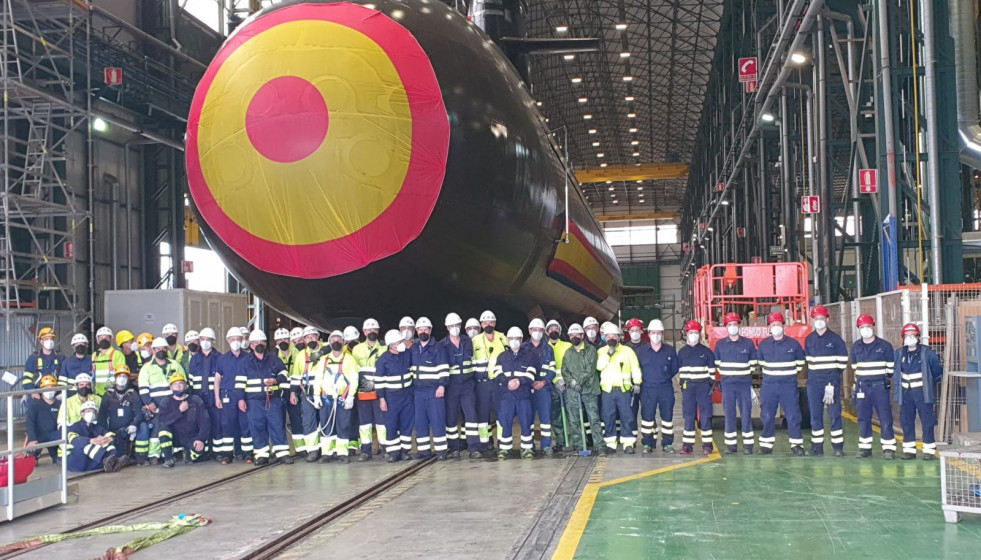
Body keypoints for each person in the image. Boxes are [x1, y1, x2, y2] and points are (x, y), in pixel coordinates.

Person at [236, 330, 291, 465]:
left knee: (277, 425)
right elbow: (239, 382)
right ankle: (262, 455)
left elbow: (285, 373)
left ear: (265, 343)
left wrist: (276, 380)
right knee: (257, 427)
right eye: (256, 343)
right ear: (251, 345)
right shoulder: (245, 362)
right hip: (253, 402)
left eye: (261, 342)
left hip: (273, 399)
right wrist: (240, 399)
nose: (259, 344)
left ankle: (282, 454)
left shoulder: (274, 359)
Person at [756, 312, 805, 456]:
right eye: (773, 324)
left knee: (793, 415)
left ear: (783, 326)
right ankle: (766, 445)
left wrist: (786, 374)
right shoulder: (764, 345)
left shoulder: (793, 344)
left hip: (788, 385)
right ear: (769, 327)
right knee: (767, 414)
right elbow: (761, 363)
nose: (776, 327)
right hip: (769, 385)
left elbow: (800, 364)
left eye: (778, 324)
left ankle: (796, 445)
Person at [893, 323, 943, 460]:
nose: (910, 338)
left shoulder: (928, 353)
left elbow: (937, 371)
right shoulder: (898, 354)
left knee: (927, 421)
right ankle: (909, 451)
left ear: (918, 336)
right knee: (906, 421)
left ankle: (929, 451)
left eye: (912, 335)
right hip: (906, 394)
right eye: (907, 335)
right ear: (903, 337)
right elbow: (895, 373)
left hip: (922, 393)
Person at [803, 305, 848, 456]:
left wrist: (832, 378)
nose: (819, 321)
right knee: (815, 415)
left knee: (835, 415)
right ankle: (817, 447)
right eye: (816, 319)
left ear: (827, 319)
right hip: (814, 383)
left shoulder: (836, 339)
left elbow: (842, 362)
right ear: (813, 320)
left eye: (822, 318)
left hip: (831, 383)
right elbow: (808, 361)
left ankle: (838, 448)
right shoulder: (809, 340)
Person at [850, 314, 897, 459]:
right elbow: (854, 367)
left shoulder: (884, 346)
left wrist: (881, 380)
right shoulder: (856, 347)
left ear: (873, 327)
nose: (865, 330)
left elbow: (891, 369)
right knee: (863, 417)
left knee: (885, 417)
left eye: (868, 327)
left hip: (880, 387)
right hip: (862, 387)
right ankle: (865, 448)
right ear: (859, 329)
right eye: (862, 327)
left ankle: (888, 449)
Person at [309, 331, 358, 463]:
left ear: (343, 342)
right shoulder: (324, 360)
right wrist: (316, 396)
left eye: (339, 340)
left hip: (343, 398)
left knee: (343, 425)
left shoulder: (349, 359)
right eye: (333, 340)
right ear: (329, 342)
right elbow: (318, 379)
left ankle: (342, 453)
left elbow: (354, 379)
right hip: (327, 398)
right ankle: (327, 453)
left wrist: (351, 397)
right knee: (326, 425)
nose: (336, 342)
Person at [713, 312, 757, 454]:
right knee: (729, 414)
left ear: (740, 325)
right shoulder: (720, 346)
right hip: (728, 385)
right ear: (726, 327)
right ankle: (731, 446)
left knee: (746, 414)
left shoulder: (748, 344)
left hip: (744, 384)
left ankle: (748, 446)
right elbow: (717, 365)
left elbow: (753, 364)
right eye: (729, 324)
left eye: (735, 324)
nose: (732, 327)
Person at [138, 337, 185, 464]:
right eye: (158, 348)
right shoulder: (146, 368)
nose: (161, 351)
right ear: (153, 350)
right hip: (156, 406)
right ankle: (154, 455)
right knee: (157, 428)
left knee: (175, 426)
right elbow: (143, 388)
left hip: (174, 404)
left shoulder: (175, 365)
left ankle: (174, 452)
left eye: (164, 348)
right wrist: (149, 403)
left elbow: (184, 384)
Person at [491, 327, 537, 459]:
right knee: (505, 422)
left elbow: (531, 374)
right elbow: (497, 373)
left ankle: (527, 448)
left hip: (523, 395)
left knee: (526, 421)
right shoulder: (502, 357)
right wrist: (508, 382)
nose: (514, 341)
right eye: (511, 339)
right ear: (508, 340)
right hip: (507, 396)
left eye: (517, 339)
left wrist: (519, 381)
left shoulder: (529, 356)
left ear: (522, 340)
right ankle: (505, 449)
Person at [597, 322, 641, 454]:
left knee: (626, 416)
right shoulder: (601, 352)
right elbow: (599, 367)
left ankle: (628, 443)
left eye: (614, 336)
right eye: (608, 336)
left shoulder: (628, 351)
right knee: (608, 416)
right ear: (605, 337)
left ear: (619, 337)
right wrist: (608, 354)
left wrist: (637, 383)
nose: (611, 338)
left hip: (624, 390)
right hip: (607, 391)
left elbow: (635, 368)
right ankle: (611, 443)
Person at [636, 319, 679, 453]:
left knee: (667, 418)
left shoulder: (670, 351)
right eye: (653, 332)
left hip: (665, 388)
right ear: (648, 334)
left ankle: (667, 444)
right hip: (647, 389)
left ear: (662, 333)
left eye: (658, 332)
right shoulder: (641, 352)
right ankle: (648, 444)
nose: (656, 335)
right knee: (647, 418)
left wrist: (663, 378)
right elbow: (637, 369)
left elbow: (675, 369)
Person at [440, 313, 479, 458]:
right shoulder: (442, 345)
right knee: (451, 417)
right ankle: (454, 447)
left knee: (471, 416)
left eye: (457, 325)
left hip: (468, 385)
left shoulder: (467, 342)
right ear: (447, 327)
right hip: (452, 385)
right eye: (452, 326)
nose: (455, 328)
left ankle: (474, 447)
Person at [410, 317, 449, 460]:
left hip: (434, 391)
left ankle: (441, 451)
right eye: (420, 329)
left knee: (437, 420)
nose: (423, 332)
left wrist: (442, 385)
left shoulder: (438, 347)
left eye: (426, 329)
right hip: (418, 391)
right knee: (420, 422)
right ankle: (424, 451)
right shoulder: (414, 348)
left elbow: (444, 368)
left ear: (430, 330)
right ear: (416, 331)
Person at [560, 324, 602, 453]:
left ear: (582, 336)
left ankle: (599, 444)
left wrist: (578, 381)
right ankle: (578, 444)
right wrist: (572, 382)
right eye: (571, 335)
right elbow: (564, 370)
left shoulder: (591, 350)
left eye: (576, 335)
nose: (574, 337)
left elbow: (589, 369)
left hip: (589, 390)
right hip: (572, 391)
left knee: (593, 418)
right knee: (573, 419)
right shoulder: (568, 353)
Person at [155, 372, 211, 467]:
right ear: (171, 387)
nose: (178, 386)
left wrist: (200, 439)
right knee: (162, 431)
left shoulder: (195, 400)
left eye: (181, 383)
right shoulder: (166, 402)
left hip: (192, 437)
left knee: (199, 451)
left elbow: (205, 421)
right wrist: (179, 411)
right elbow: (163, 421)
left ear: (185, 386)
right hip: (175, 437)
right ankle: (168, 459)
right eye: (175, 384)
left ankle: (189, 456)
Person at [214, 328, 253, 464]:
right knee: (227, 425)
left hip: (244, 396)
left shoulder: (248, 357)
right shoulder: (222, 359)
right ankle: (227, 455)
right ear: (227, 340)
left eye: (238, 339)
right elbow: (217, 379)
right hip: (227, 396)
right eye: (232, 339)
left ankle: (248, 454)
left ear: (242, 340)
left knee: (245, 424)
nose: (235, 341)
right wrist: (217, 398)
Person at [677, 320, 714, 455]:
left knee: (705, 415)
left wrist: (708, 384)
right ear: (686, 334)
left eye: (696, 332)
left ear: (700, 334)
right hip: (688, 388)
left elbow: (712, 373)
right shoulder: (681, 352)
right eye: (691, 332)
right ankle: (687, 445)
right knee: (688, 416)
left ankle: (707, 445)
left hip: (703, 387)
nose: (693, 335)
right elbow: (679, 371)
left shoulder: (707, 352)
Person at [98, 366, 147, 465]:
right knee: (118, 450)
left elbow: (139, 413)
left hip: (129, 429)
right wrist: (105, 432)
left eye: (125, 376)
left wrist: (134, 424)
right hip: (113, 431)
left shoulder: (133, 394)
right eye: (120, 376)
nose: (122, 378)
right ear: (115, 378)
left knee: (143, 427)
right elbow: (102, 416)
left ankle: (141, 458)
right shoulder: (108, 395)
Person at [352, 319, 387, 461]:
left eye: (374, 330)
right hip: (363, 391)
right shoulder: (357, 349)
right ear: (364, 332)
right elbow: (353, 371)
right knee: (364, 423)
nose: (371, 332)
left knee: (382, 422)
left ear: (378, 331)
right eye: (369, 330)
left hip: (379, 391)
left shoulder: (384, 348)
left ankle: (386, 448)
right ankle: (366, 451)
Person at [471, 310, 505, 451]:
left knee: (501, 412)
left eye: (491, 322)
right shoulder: (475, 341)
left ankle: (503, 441)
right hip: (482, 384)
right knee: (482, 414)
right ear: (481, 324)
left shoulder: (503, 338)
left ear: (495, 323)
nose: (488, 324)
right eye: (485, 322)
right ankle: (485, 442)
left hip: (498, 383)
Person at [524, 318, 559, 456]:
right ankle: (529, 445)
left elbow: (552, 369)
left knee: (546, 419)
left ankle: (546, 445)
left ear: (544, 332)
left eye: (539, 330)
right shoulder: (523, 348)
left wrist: (544, 382)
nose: (537, 332)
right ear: (529, 331)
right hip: (528, 388)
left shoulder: (548, 348)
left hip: (544, 388)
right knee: (528, 418)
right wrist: (529, 382)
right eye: (534, 330)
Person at [188, 327, 222, 458]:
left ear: (213, 341)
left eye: (208, 339)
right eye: (203, 339)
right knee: (201, 426)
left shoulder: (220, 358)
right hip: (198, 399)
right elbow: (190, 381)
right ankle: (204, 452)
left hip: (214, 398)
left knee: (217, 425)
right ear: (199, 341)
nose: (205, 342)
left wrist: (219, 398)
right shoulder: (194, 359)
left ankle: (218, 452)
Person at [66, 400, 124, 472]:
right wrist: (91, 441)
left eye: (93, 412)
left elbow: (109, 434)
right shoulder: (74, 427)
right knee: (87, 445)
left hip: (90, 461)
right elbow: (74, 440)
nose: (91, 413)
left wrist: (109, 438)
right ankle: (106, 460)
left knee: (108, 443)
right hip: (76, 460)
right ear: (82, 413)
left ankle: (114, 460)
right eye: (88, 411)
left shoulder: (96, 427)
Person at [294, 326, 324, 461]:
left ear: (318, 337)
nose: (311, 339)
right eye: (308, 337)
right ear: (304, 340)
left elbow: (337, 345)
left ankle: (328, 449)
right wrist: (293, 393)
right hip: (308, 392)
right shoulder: (301, 356)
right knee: (309, 421)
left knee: (326, 420)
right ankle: (313, 450)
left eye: (313, 336)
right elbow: (295, 376)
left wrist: (321, 352)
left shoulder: (325, 349)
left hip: (324, 391)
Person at [275, 327, 304, 456]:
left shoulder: (298, 353)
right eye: (280, 339)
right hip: (279, 394)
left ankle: (301, 449)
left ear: (290, 340)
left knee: (296, 421)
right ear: (276, 342)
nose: (283, 341)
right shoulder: (273, 356)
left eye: (285, 339)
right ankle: (280, 451)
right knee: (278, 422)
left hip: (295, 392)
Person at [546, 320, 572, 453]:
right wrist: (554, 380)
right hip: (552, 386)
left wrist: (566, 381)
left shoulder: (568, 346)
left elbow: (572, 365)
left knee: (571, 414)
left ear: (560, 331)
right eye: (551, 329)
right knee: (556, 416)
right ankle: (561, 442)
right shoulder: (545, 347)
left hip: (567, 386)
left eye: (556, 328)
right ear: (547, 332)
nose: (553, 331)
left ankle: (574, 442)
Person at [26, 375, 61, 463]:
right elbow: (30, 423)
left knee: (59, 460)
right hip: (39, 436)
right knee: (30, 460)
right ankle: (35, 455)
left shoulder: (60, 405)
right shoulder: (34, 405)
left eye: (52, 387)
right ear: (41, 389)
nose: (49, 390)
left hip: (54, 436)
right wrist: (32, 439)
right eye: (46, 387)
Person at [23, 327, 63, 394]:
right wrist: (33, 392)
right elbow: (26, 380)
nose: (49, 341)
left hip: (57, 395)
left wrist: (62, 393)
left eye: (51, 339)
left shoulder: (61, 358)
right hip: (38, 394)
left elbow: (65, 378)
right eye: (46, 339)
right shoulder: (33, 359)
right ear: (41, 341)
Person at [92, 326, 125, 396]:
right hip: (97, 394)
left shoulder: (118, 354)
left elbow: (122, 375)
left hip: (113, 393)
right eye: (101, 338)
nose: (104, 340)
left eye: (106, 338)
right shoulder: (94, 355)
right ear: (97, 340)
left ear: (111, 339)